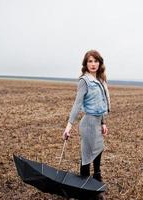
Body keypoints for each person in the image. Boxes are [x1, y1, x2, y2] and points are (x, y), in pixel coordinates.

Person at [62, 50, 111, 184]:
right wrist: (68, 127)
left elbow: (100, 104)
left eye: (96, 61)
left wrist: (103, 123)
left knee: (98, 149)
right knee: (87, 157)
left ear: (100, 63)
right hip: (88, 124)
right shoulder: (84, 81)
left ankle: (96, 178)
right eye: (90, 61)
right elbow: (77, 105)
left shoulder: (100, 80)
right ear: (86, 63)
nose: (93, 64)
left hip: (97, 123)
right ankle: (84, 186)